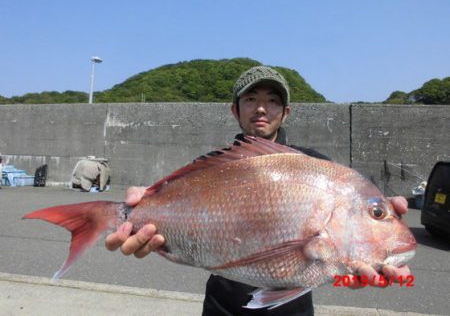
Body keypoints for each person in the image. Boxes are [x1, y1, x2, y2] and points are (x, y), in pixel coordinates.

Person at [105, 66, 411, 315]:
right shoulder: (212, 167)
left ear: (286, 112)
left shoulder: (319, 166)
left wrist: (348, 269)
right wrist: (141, 206)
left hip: (294, 311)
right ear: (235, 110)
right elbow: (167, 197)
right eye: (251, 99)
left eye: (273, 100)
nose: (262, 108)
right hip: (221, 307)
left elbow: (329, 255)